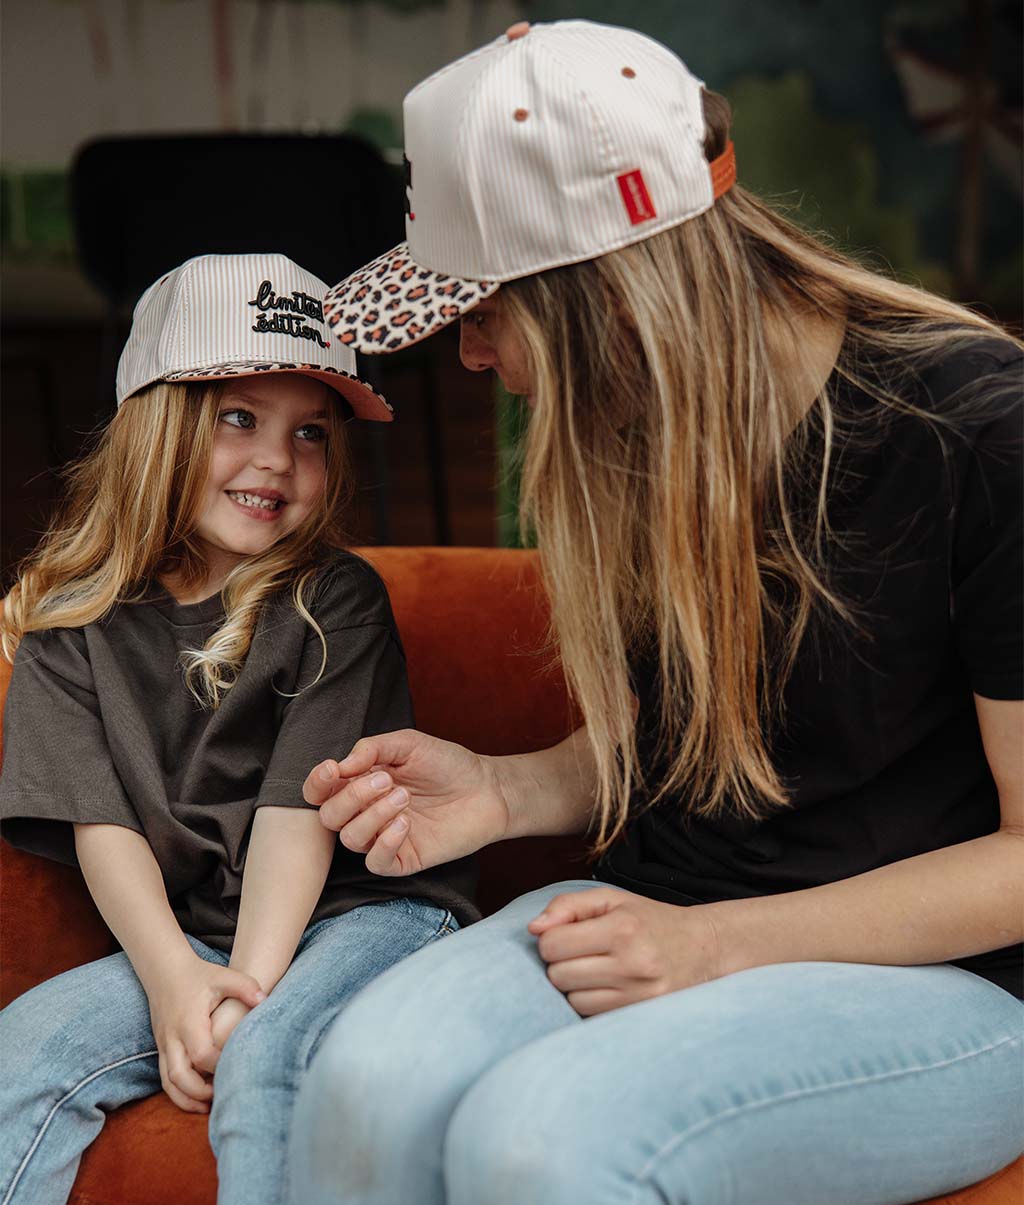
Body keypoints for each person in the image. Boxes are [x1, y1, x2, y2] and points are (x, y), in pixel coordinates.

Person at [290, 20, 1023, 1205]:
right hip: (656, 910)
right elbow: (707, 746)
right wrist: (511, 788)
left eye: (485, 310)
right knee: (362, 1083)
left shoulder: (982, 432)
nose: (471, 355)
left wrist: (718, 944)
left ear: (611, 296)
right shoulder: (637, 427)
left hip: (955, 981)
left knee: (544, 1139)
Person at [0, 252, 477, 1205]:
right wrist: (178, 980)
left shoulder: (333, 598)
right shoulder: (67, 623)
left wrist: (243, 996)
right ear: (156, 424)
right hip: (202, 936)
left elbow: (295, 814)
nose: (278, 460)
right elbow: (105, 828)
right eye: (238, 418)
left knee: (265, 1066)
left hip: (365, 915)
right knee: (22, 1054)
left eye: (311, 432)